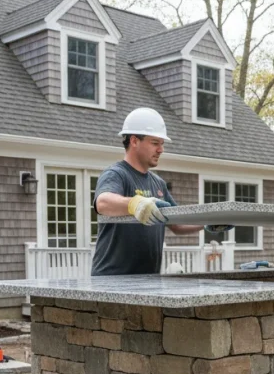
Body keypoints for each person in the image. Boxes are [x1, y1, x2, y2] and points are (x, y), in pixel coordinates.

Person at [91, 108, 231, 275]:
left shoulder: (158, 184)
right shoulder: (116, 174)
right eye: (155, 143)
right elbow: (103, 202)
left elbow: (177, 223)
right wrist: (135, 203)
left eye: (162, 144)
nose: (161, 150)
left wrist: (207, 222)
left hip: (148, 279)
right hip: (110, 280)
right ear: (134, 141)